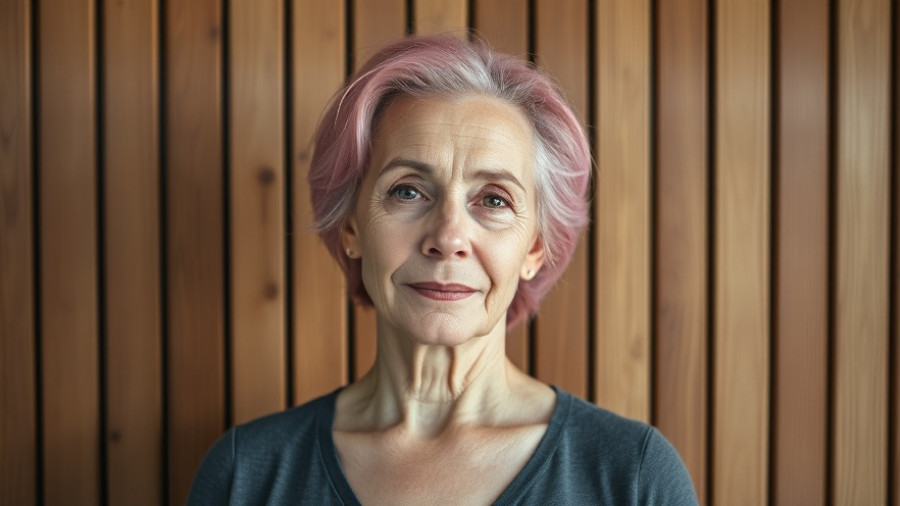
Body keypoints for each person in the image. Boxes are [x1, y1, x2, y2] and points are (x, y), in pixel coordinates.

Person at [188, 34, 697, 505]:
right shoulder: (245, 475)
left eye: (494, 199)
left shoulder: (633, 475)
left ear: (535, 248)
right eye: (408, 190)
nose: (449, 237)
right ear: (351, 227)